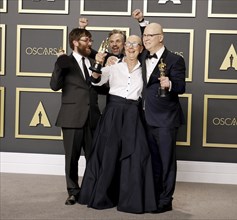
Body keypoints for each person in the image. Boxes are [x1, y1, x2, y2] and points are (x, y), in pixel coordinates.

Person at [78, 35, 157, 214]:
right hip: (113, 113)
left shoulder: (145, 69)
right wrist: (98, 64)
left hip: (133, 114)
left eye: (135, 44)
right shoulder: (113, 65)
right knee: (109, 154)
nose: (130, 47)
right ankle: (104, 196)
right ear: (124, 47)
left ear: (141, 48)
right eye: (128, 44)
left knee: (136, 156)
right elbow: (96, 80)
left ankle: (131, 199)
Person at [133, 9, 186, 213]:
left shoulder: (174, 60)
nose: (145, 39)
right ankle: (154, 196)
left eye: (149, 35)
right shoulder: (144, 55)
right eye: (144, 35)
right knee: (152, 161)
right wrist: (141, 21)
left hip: (165, 120)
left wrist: (170, 83)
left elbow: (181, 87)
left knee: (166, 162)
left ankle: (166, 200)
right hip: (145, 119)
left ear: (160, 38)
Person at [50, 28, 102, 205]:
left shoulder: (94, 60)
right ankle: (73, 191)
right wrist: (59, 62)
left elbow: (99, 86)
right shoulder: (66, 62)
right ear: (75, 42)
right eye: (86, 40)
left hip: (93, 116)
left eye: (90, 40)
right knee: (71, 157)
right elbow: (54, 86)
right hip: (72, 116)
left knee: (93, 156)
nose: (90, 43)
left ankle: (90, 189)